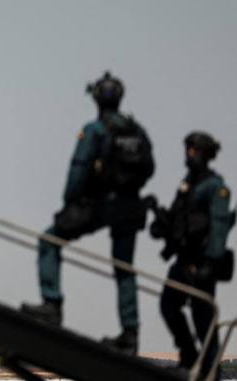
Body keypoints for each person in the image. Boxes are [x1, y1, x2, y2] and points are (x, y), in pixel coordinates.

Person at [25, 71, 155, 355]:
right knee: (124, 268)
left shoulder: (96, 130)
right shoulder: (137, 131)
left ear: (96, 99)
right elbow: (149, 168)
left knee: (50, 240)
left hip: (99, 204)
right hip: (129, 204)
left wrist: (71, 202)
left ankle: (52, 305)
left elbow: (79, 168)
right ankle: (130, 335)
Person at [150, 132, 235, 379]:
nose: (189, 155)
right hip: (184, 260)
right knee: (169, 305)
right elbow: (178, 220)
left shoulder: (215, 187)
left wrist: (211, 261)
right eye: (188, 150)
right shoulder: (188, 185)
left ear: (205, 154)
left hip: (201, 264)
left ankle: (210, 375)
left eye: (194, 151)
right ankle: (189, 357)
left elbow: (219, 226)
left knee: (203, 321)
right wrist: (160, 222)